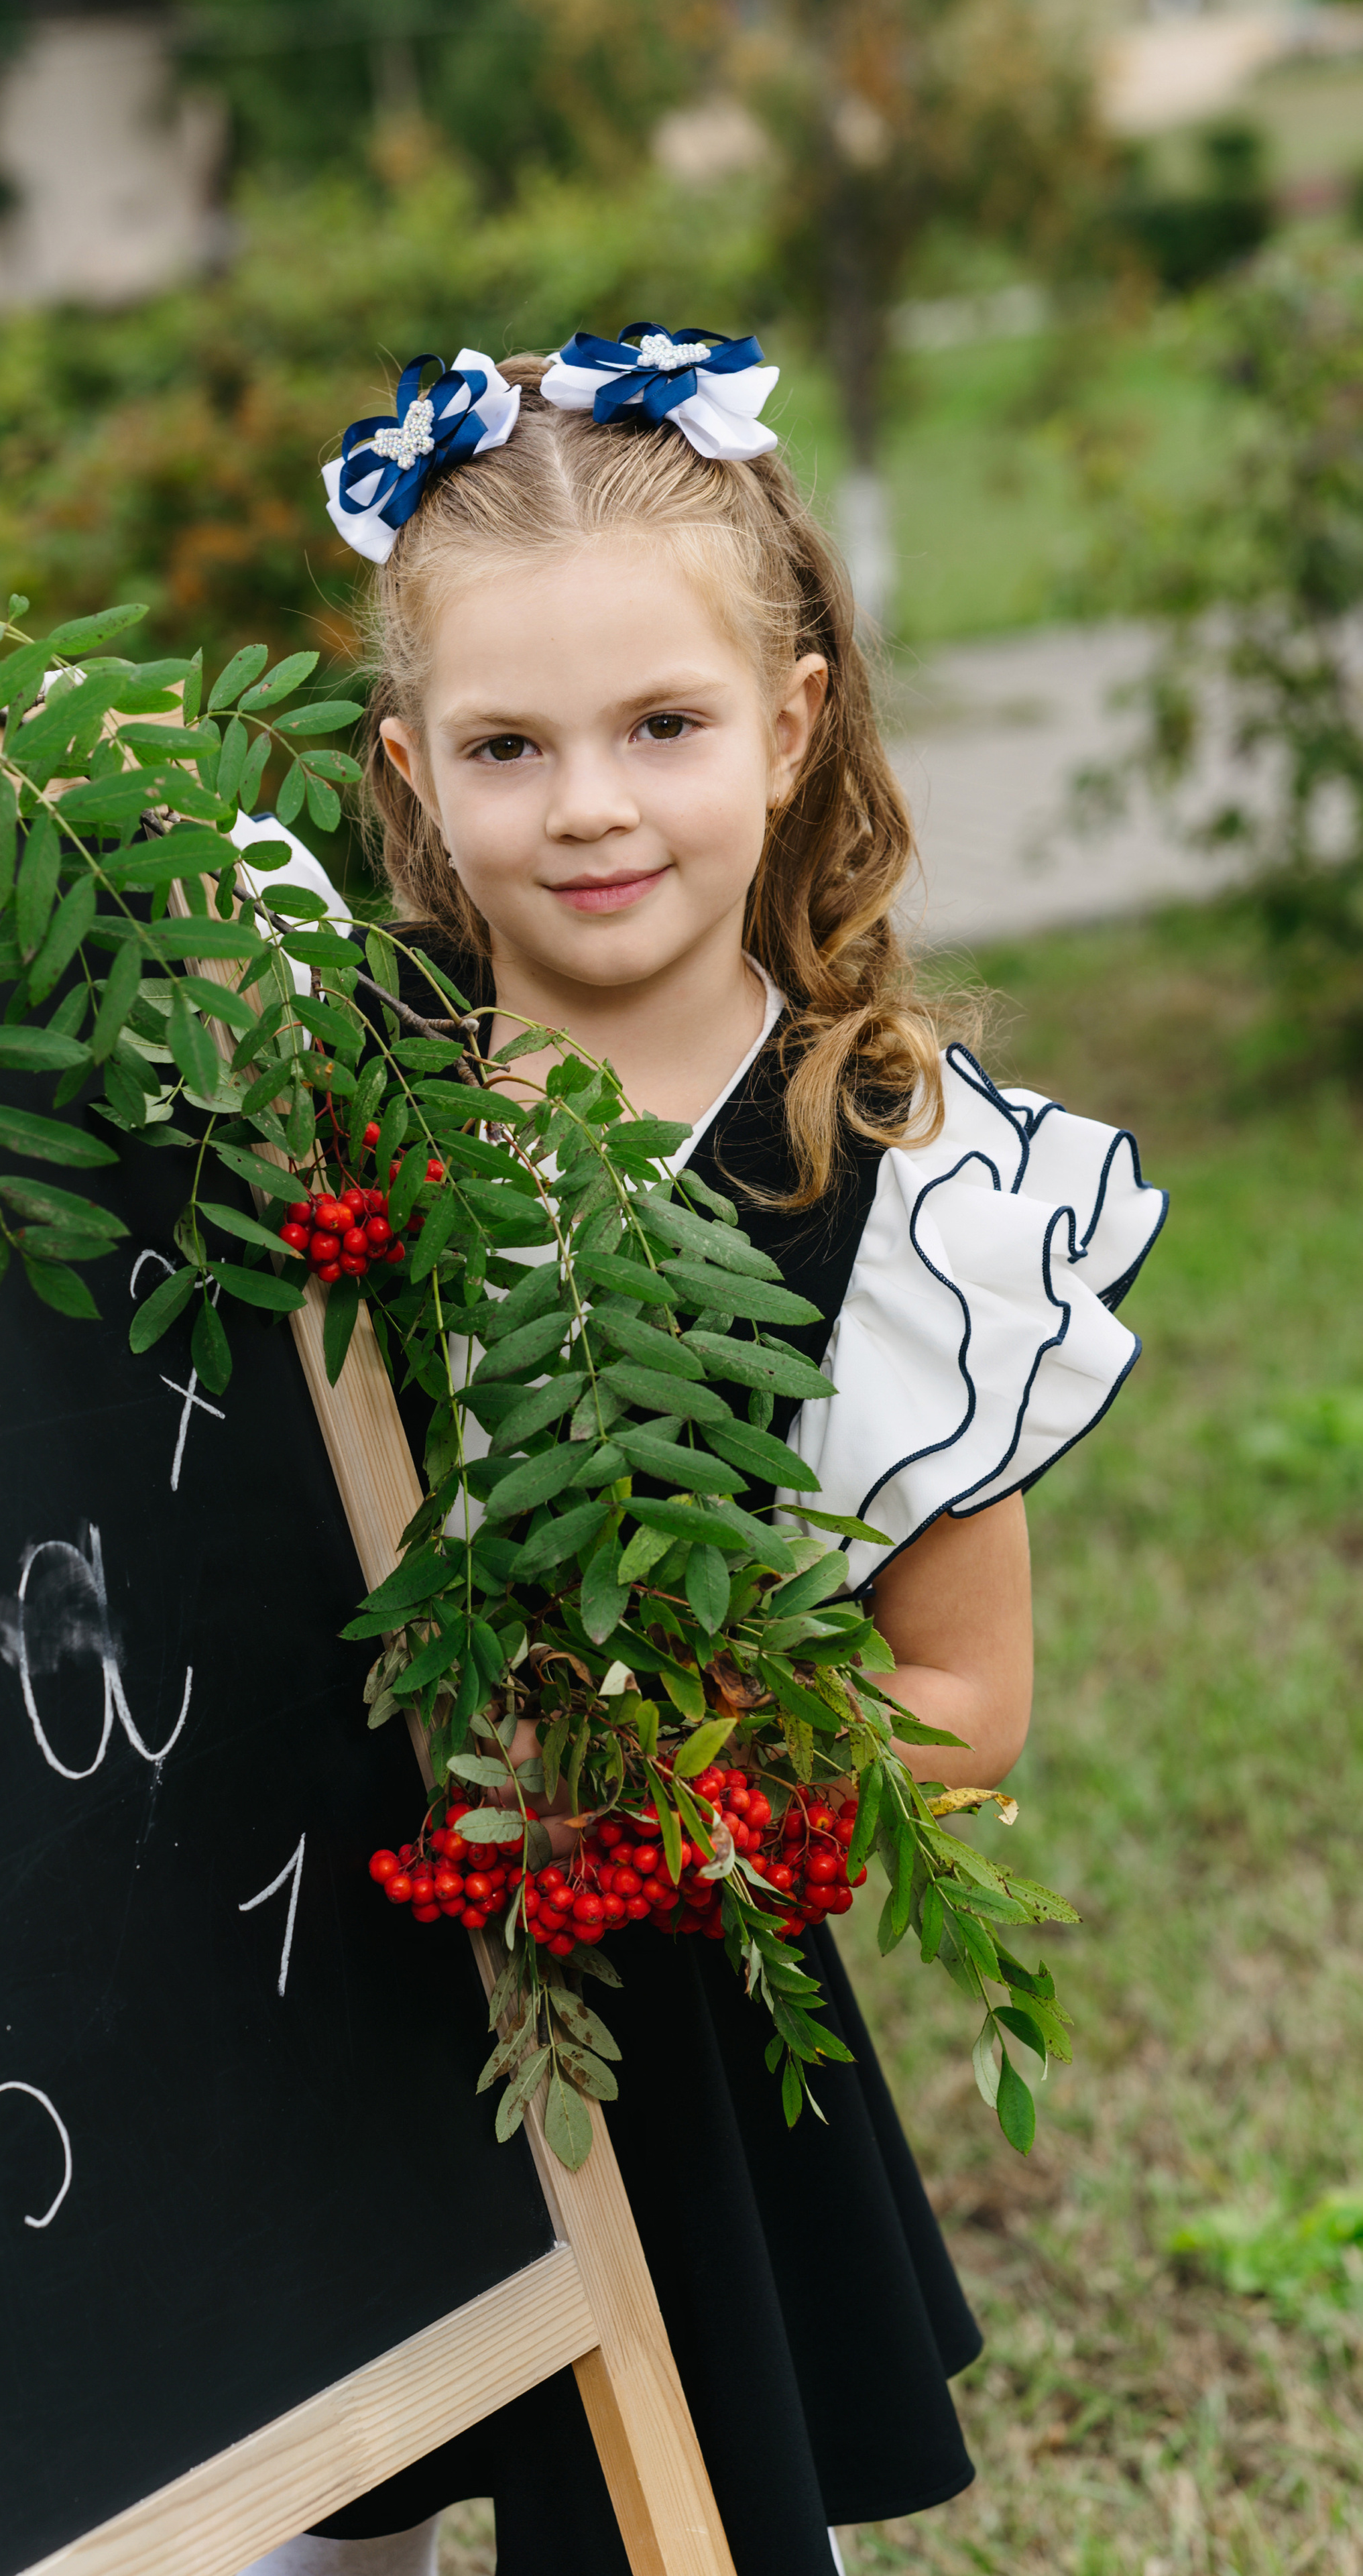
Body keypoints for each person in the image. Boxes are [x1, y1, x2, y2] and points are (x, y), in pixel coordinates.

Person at [238, 331, 1166, 2576]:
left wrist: (673, 1776)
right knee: (290, 2504)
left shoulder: (909, 1177)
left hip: (646, 1987)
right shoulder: (320, 1099)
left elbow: (966, 1702)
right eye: (507, 745)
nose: (589, 804)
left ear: (795, 717)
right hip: (313, 1960)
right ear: (406, 773)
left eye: (661, 723)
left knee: (696, 2522)